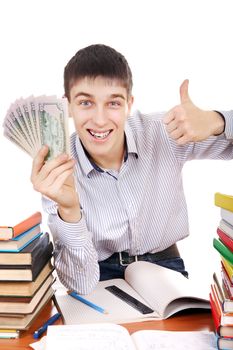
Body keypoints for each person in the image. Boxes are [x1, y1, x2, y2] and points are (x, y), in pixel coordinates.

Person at [31, 44, 233, 294]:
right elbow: (81, 284)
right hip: (97, 273)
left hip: (165, 268)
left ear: (129, 103)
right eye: (85, 102)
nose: (100, 119)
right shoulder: (57, 168)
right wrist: (69, 210)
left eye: (113, 103)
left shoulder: (165, 131)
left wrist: (218, 121)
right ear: (68, 106)